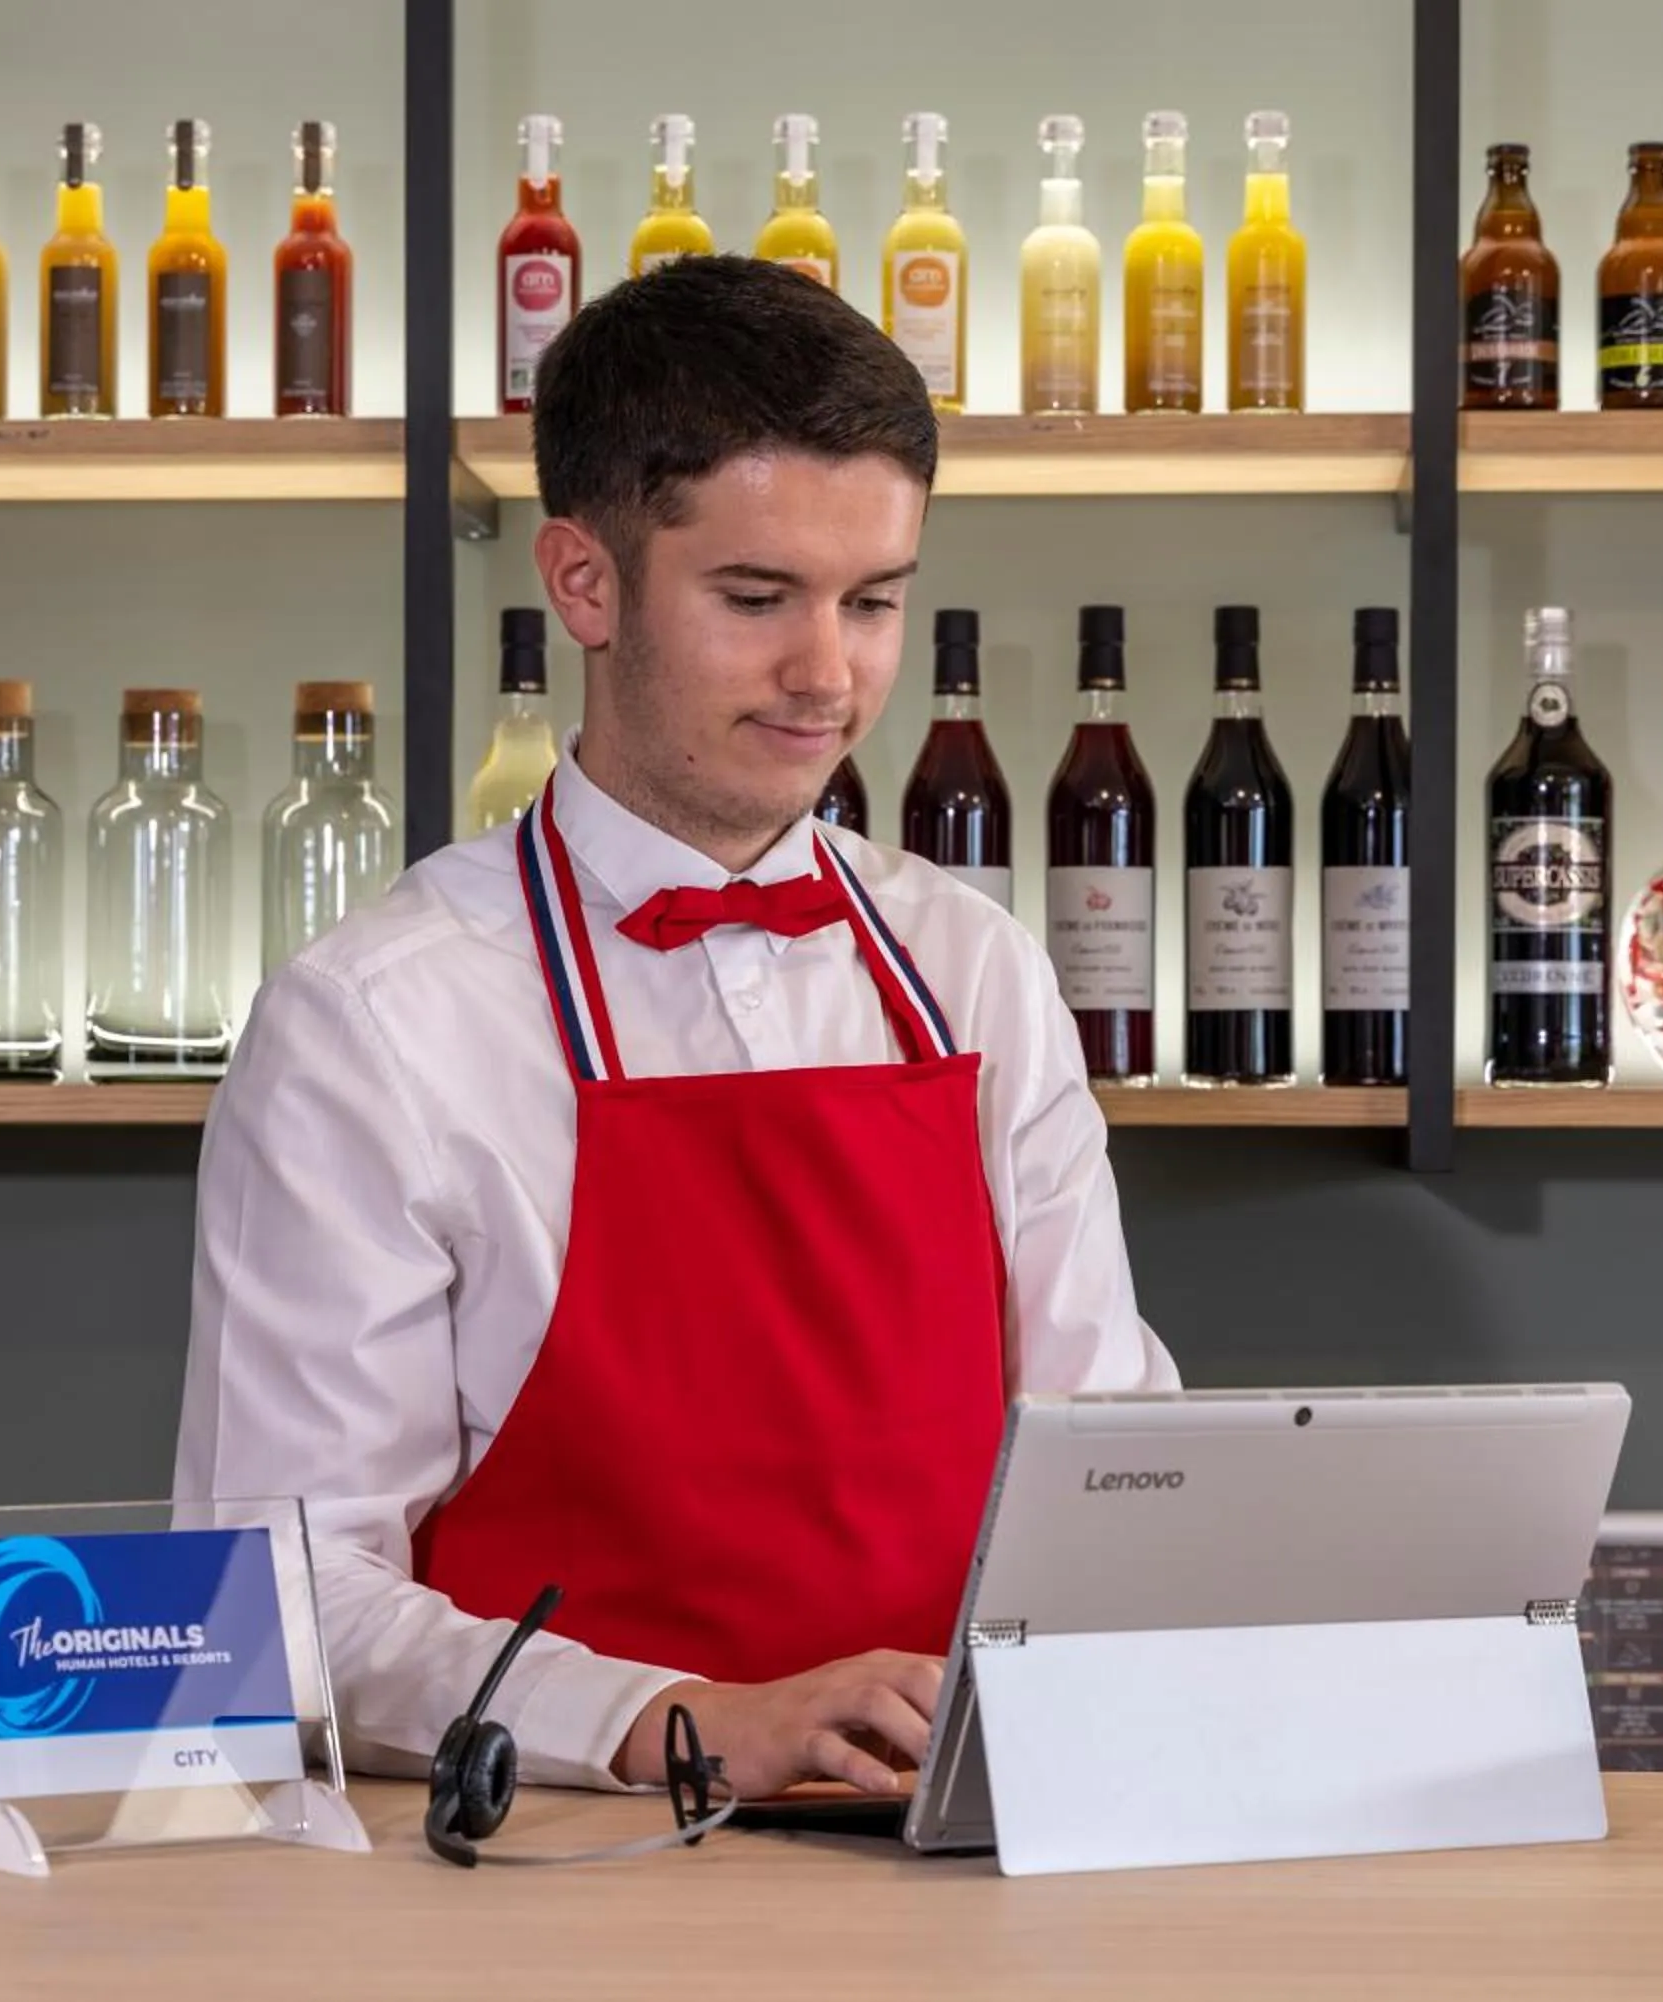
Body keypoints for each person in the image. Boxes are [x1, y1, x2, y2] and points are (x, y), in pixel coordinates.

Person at [175, 256, 1176, 1803]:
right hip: (552, 1872)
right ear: (584, 581)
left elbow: (1117, 1467)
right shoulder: (370, 1024)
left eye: (875, 601)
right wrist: (678, 1720)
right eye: (758, 598)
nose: (828, 674)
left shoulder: (976, 970)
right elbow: (290, 1601)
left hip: (975, 1845)